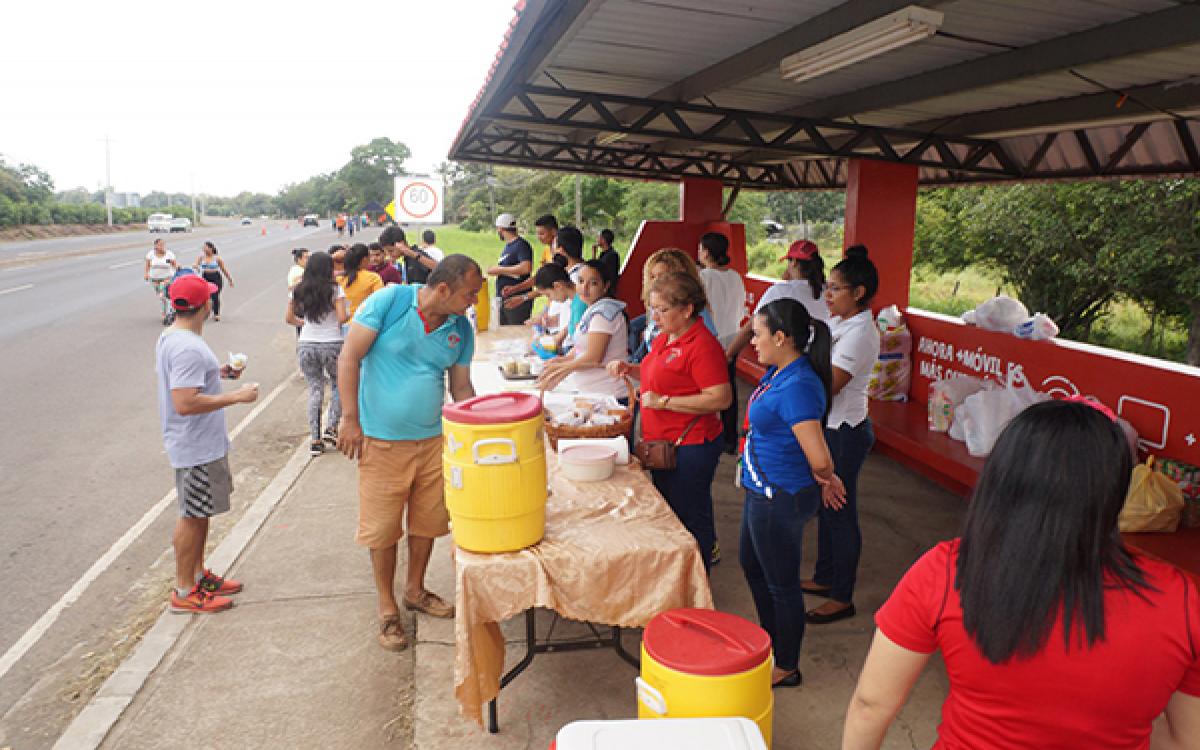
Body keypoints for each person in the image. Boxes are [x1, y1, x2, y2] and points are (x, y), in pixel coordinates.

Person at [843, 399, 1200, 750]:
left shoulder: (946, 572)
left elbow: (871, 705)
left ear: (1002, 478)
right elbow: (1187, 739)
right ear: (1116, 490)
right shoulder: (1178, 599)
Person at [337, 255, 483, 652]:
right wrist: (350, 418)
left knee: (427, 522)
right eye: (469, 294)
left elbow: (463, 389)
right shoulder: (390, 301)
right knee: (382, 529)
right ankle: (387, 608)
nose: (473, 302)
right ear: (442, 289)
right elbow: (349, 356)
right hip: (382, 443)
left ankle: (415, 590)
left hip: (435, 442)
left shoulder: (460, 329)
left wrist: (482, 426)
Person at [738, 298, 843, 688]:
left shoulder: (798, 385)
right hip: (761, 491)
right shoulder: (782, 370)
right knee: (754, 567)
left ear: (781, 337)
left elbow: (817, 454)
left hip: (777, 497)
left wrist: (827, 477)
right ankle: (771, 642)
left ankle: (786, 664)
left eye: (758, 335)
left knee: (781, 583)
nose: (753, 342)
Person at [607, 272, 730, 572]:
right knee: (671, 512)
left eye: (662, 309)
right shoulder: (666, 337)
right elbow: (661, 374)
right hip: (664, 444)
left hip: (690, 446)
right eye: (652, 308)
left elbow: (720, 397)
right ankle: (680, 577)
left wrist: (664, 403)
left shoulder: (701, 345)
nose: (655, 316)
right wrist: (631, 369)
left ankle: (697, 579)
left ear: (687, 309)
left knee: (690, 515)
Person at [155, 274, 259, 613]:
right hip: (195, 445)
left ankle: (198, 575)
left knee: (201, 513)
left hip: (200, 444)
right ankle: (185, 591)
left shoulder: (175, 336)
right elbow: (185, 402)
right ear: (205, 304)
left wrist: (220, 373)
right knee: (192, 515)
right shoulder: (186, 346)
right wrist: (236, 397)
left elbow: (189, 381)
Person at [803, 245, 881, 625]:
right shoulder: (837, 323)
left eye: (835, 289)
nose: (828, 294)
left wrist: (794, 376)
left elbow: (830, 382)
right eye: (828, 287)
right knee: (825, 506)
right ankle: (824, 577)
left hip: (844, 432)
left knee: (839, 511)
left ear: (859, 293)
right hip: (828, 427)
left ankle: (841, 596)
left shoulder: (861, 332)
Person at [725, 239, 829, 366]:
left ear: (794, 262)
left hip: (789, 360)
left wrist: (729, 354)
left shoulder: (781, 290)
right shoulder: (829, 292)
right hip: (822, 359)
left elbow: (752, 326)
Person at [537, 260, 628, 401]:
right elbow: (580, 347)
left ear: (606, 286)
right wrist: (562, 360)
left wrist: (564, 369)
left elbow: (594, 358)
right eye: (580, 281)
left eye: (593, 283)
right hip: (590, 391)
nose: (584, 288)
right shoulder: (592, 308)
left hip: (609, 395)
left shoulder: (603, 313)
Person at [286, 252, 349, 456]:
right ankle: (331, 427)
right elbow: (341, 317)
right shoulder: (335, 289)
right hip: (332, 343)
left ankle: (315, 439)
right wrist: (346, 316)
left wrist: (305, 324)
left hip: (306, 343)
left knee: (315, 388)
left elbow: (289, 318)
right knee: (338, 384)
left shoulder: (297, 290)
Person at [697, 232, 746, 454]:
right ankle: (729, 438)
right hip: (733, 338)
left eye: (700, 249)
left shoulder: (703, 276)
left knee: (705, 389)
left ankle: (707, 434)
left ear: (706, 252)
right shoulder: (735, 276)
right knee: (729, 387)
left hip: (711, 339)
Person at [628, 247, 718, 363]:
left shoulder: (698, 312)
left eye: (662, 276)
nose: (656, 282)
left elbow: (707, 351)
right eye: (653, 277)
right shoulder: (653, 308)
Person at [499, 214, 558, 308]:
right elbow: (539, 278)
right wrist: (515, 289)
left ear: (554, 232)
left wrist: (523, 297)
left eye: (542, 233)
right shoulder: (546, 251)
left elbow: (551, 282)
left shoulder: (559, 253)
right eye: (537, 234)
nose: (539, 237)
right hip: (551, 303)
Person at [488, 213, 534, 325]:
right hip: (504, 298)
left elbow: (526, 267)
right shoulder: (508, 246)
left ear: (501, 229)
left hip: (517, 299)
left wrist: (499, 270)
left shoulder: (521, 245)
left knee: (515, 334)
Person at [530, 263, 578, 352]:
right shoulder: (573, 300)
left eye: (548, 295)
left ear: (558, 286)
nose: (550, 299)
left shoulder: (580, 302)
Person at [338, 243, 384, 318]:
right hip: (365, 322)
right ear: (364, 259)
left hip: (345, 324)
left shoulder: (338, 280)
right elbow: (380, 302)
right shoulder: (373, 278)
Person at [194, 241, 234, 322]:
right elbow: (196, 266)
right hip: (205, 278)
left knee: (215, 296)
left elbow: (224, 270)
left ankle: (216, 314)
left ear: (211, 248)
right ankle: (207, 311)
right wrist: (196, 267)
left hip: (216, 278)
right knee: (206, 297)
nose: (204, 249)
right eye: (203, 247)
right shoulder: (201, 258)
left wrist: (230, 280)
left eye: (206, 247)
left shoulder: (217, 258)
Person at [144, 238, 179, 325]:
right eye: (160, 244)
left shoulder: (169, 254)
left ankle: (166, 314)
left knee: (163, 295)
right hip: (154, 279)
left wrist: (178, 268)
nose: (162, 246)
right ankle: (167, 311)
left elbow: (175, 265)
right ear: (155, 246)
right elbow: (147, 266)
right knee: (162, 296)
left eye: (163, 244)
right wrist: (146, 274)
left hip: (167, 278)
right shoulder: (151, 254)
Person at [593, 229, 620, 293]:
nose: (597, 239)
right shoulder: (605, 254)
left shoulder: (611, 255)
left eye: (599, 237)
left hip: (607, 289)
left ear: (603, 240)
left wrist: (594, 255)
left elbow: (596, 269)